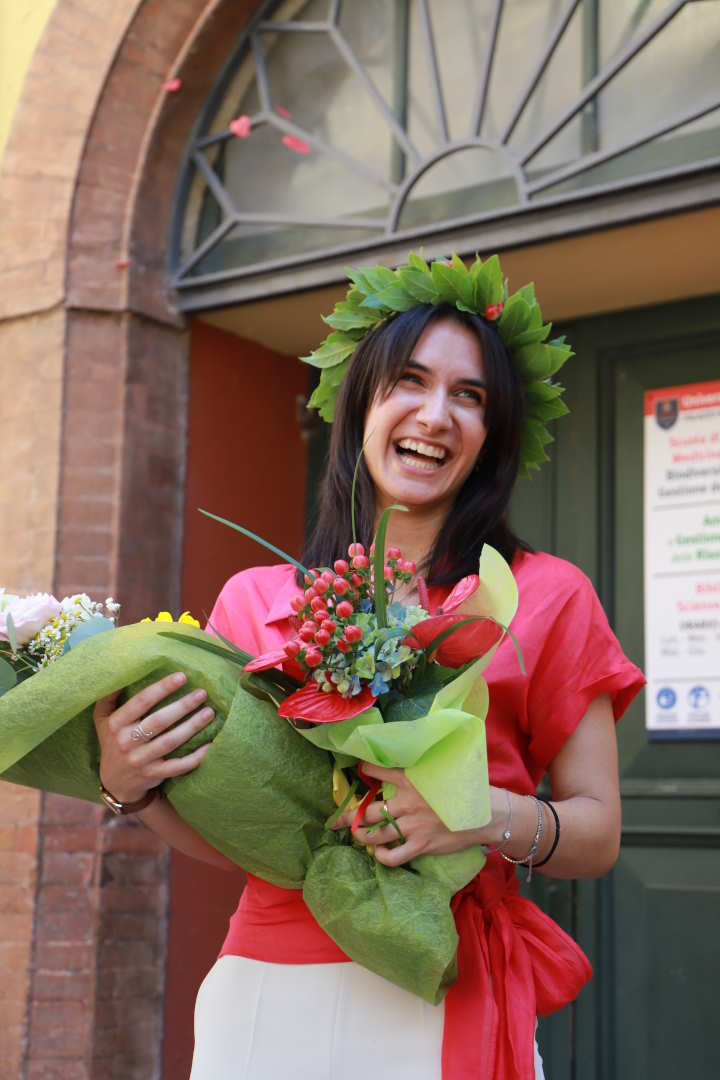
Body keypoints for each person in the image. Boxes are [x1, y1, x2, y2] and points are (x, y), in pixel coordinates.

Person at [93, 255, 644, 1080]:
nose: (437, 414)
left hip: (446, 980)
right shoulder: (256, 598)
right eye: (410, 382)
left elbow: (598, 833)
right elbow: (231, 833)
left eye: (470, 396)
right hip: (270, 992)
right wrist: (126, 785)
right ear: (361, 405)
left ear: (492, 434)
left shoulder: (544, 595)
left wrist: (477, 814)